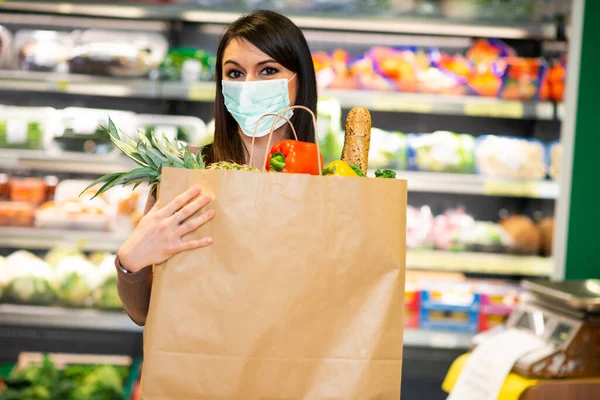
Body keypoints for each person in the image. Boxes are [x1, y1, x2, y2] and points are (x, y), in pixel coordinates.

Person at [115, 10, 318, 325]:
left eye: (267, 70)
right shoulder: (189, 172)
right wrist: (131, 262)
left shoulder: (329, 183)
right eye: (235, 73)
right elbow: (143, 313)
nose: (249, 84)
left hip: (292, 365)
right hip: (206, 363)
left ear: (299, 79)